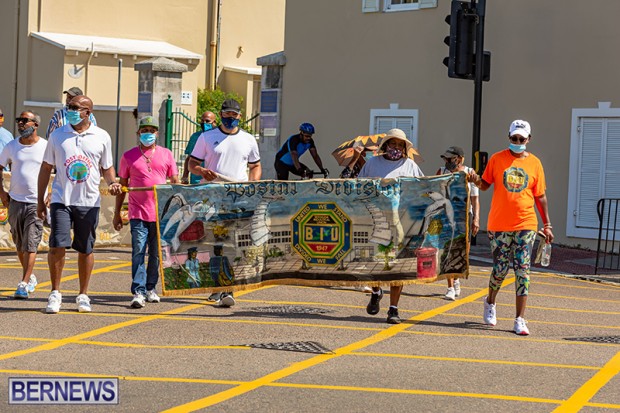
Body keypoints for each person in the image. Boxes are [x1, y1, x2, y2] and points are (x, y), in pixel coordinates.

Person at [37, 95, 122, 314]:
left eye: (75, 108)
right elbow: (46, 168)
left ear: (87, 112)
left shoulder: (101, 136)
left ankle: (83, 295)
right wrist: (40, 200)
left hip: (88, 201)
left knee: (85, 248)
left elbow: (107, 168)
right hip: (61, 200)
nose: (70, 111)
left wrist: (112, 183)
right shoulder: (58, 135)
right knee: (57, 245)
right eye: (69, 107)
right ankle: (55, 293)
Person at [470, 119, 553, 336]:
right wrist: (475, 180)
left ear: (528, 139)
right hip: (499, 225)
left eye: (521, 139)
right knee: (500, 269)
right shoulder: (497, 159)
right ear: (509, 137)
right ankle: (490, 302)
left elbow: (540, 196)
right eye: (514, 138)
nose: (517, 142)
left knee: (523, 270)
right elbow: (485, 185)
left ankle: (520, 319)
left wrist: (547, 224)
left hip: (526, 223)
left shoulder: (535, 163)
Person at [188, 98, 261, 306]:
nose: (230, 118)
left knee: (233, 243)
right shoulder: (207, 137)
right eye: (227, 114)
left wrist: (252, 185)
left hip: (237, 197)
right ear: (221, 115)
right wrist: (202, 171)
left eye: (234, 115)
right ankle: (217, 286)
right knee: (215, 243)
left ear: (240, 116)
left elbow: (255, 166)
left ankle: (228, 288)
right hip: (212, 195)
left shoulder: (248, 139)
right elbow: (192, 163)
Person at [359, 128, 424, 324]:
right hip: (376, 222)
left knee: (398, 266)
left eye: (400, 144)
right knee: (375, 263)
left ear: (404, 148)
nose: (396, 147)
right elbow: (359, 187)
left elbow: (422, 189)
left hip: (402, 223)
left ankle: (393, 309)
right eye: (393, 143)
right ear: (386, 145)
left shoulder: (410, 166)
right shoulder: (372, 164)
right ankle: (376, 291)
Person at [113, 116, 179, 309]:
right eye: (144, 131)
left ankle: (151, 288)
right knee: (138, 251)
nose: (148, 134)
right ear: (138, 133)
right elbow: (122, 186)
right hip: (137, 213)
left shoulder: (166, 154)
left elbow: (175, 182)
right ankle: (138, 291)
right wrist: (117, 213)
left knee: (156, 254)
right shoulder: (128, 156)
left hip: (160, 214)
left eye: (151, 130)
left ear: (157, 133)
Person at [0, 110, 47, 298]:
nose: (20, 123)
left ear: (35, 124)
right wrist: (2, 192)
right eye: (19, 120)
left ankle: (24, 282)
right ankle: (31, 276)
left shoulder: (45, 146)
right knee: (19, 244)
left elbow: (59, 170)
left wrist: (50, 195)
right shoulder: (12, 146)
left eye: (25, 120)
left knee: (30, 243)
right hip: (15, 201)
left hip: (36, 202)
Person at [435, 146, 479, 301]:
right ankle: (450, 287)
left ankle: (456, 278)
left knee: (463, 250)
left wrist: (476, 218)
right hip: (446, 214)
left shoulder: (469, 172)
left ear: (459, 159)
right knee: (447, 249)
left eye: (450, 158)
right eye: (445, 158)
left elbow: (475, 199)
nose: (446, 161)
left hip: (464, 214)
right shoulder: (441, 171)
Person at [181, 111, 217, 184]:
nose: (204, 123)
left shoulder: (219, 137)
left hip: (214, 180)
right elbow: (189, 158)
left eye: (207, 121)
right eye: (202, 121)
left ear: (214, 123)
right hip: (196, 181)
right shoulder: (195, 137)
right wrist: (185, 176)